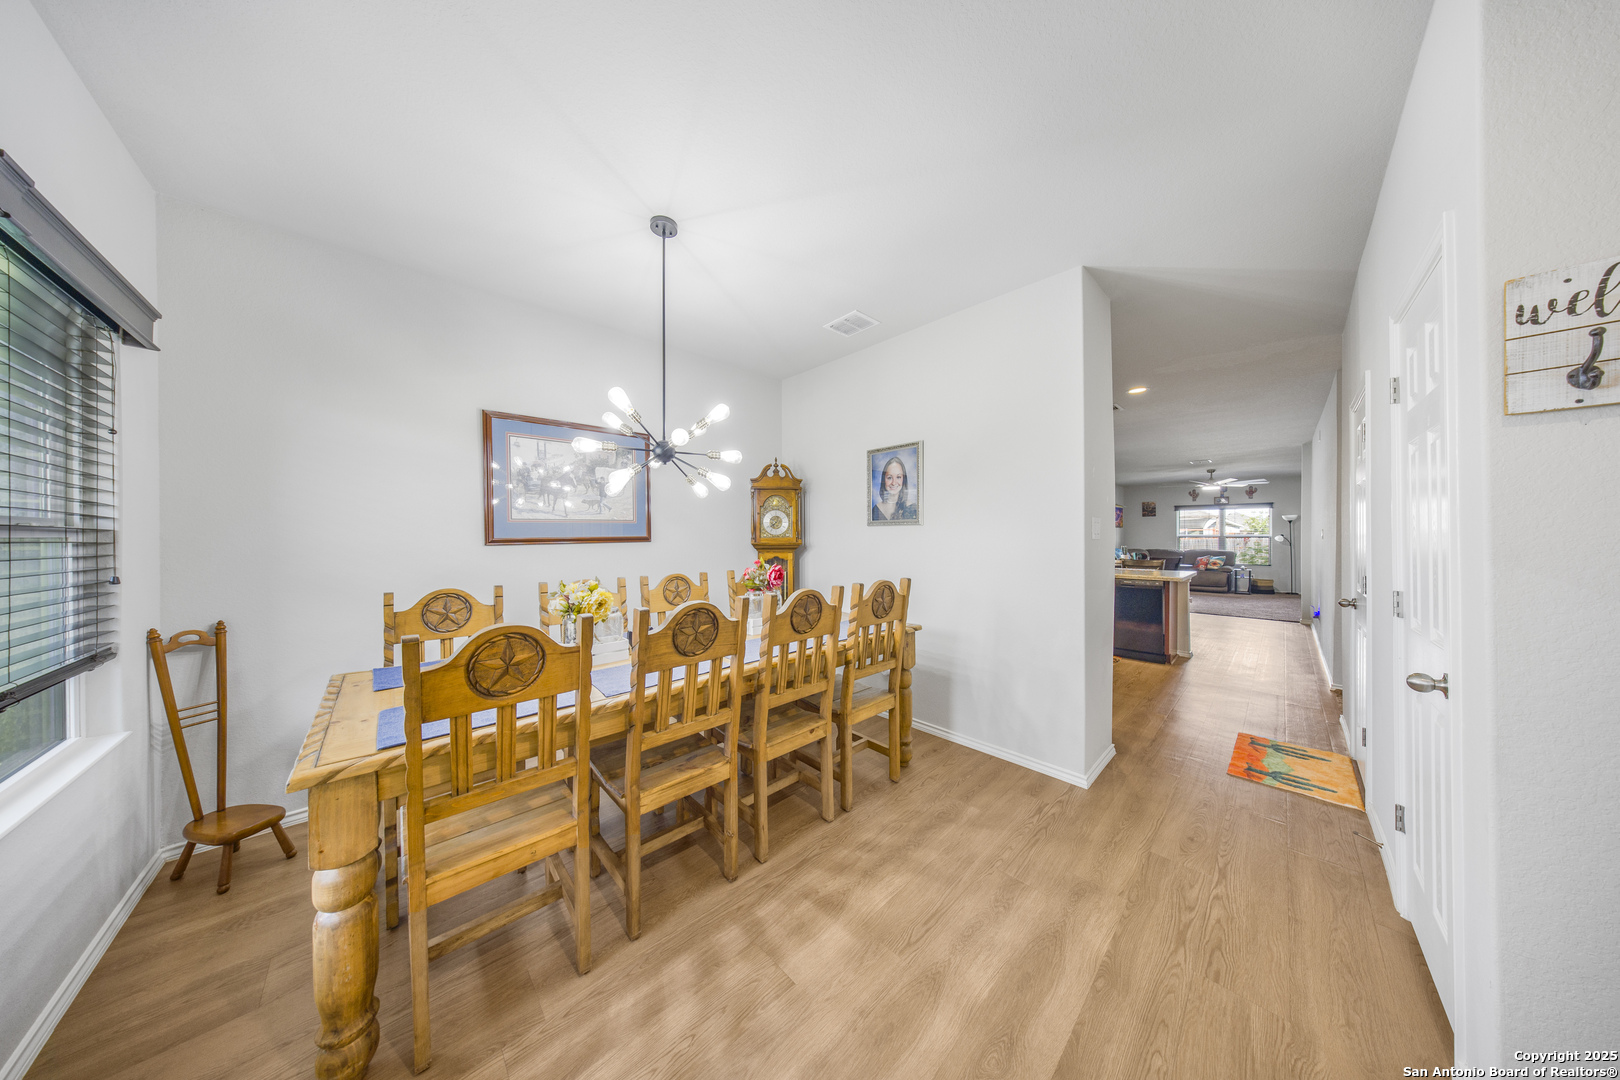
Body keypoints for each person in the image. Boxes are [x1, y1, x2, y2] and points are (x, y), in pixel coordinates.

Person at [871, 455, 917, 521]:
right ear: (884, 480)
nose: (894, 483)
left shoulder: (913, 509)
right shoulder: (876, 510)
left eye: (898, 477)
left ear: (903, 479)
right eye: (889, 477)